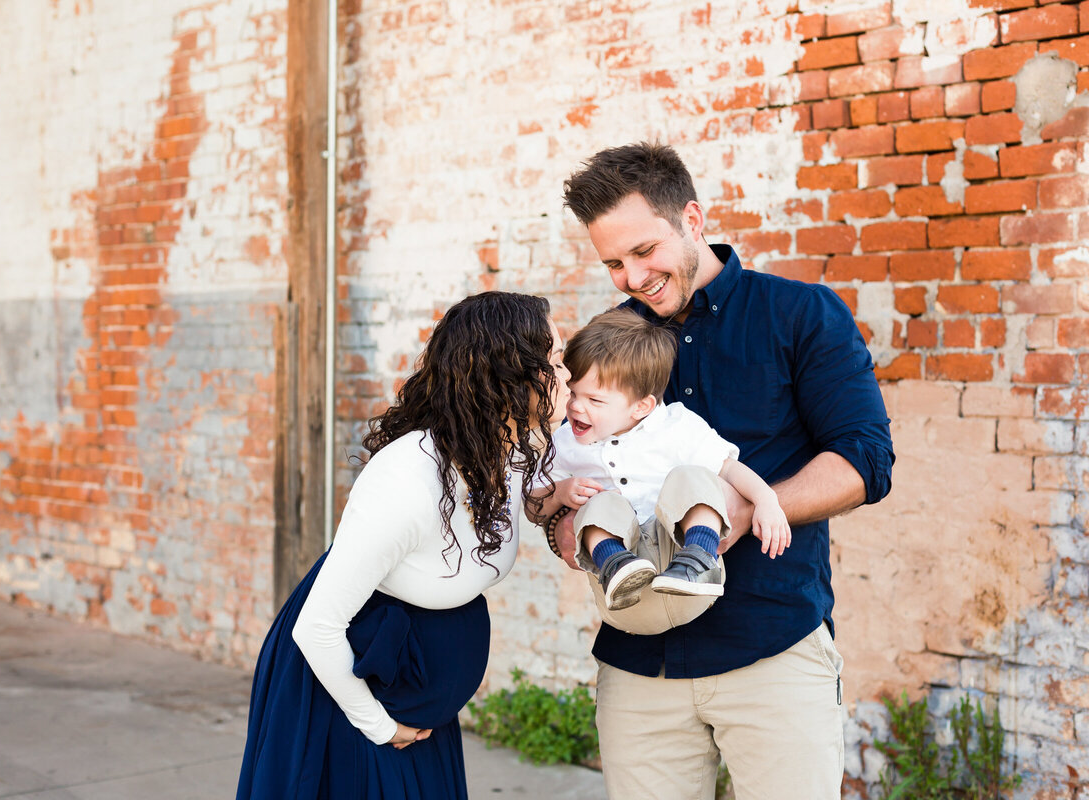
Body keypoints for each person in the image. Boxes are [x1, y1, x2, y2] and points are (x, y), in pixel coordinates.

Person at [544, 142, 894, 799]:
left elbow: (864, 460)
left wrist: (748, 510)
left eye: (644, 251)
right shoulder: (611, 341)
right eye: (613, 263)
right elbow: (578, 457)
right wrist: (567, 523)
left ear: (694, 220)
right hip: (640, 662)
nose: (632, 276)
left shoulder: (799, 314)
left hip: (773, 647)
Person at [235, 291, 571, 800]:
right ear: (510, 379)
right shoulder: (406, 482)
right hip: (348, 694)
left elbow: (531, 499)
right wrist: (378, 724)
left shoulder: (503, 450)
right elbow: (317, 627)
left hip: (414, 704)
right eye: (555, 361)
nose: (568, 375)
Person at [529, 307, 789, 632]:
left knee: (691, 478)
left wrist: (766, 499)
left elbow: (729, 468)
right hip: (623, 593)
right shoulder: (566, 442)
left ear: (642, 406)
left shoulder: (676, 428)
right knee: (602, 503)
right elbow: (532, 505)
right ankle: (615, 562)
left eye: (594, 400)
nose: (575, 407)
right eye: (573, 394)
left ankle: (699, 557)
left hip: (681, 565)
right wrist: (560, 494)